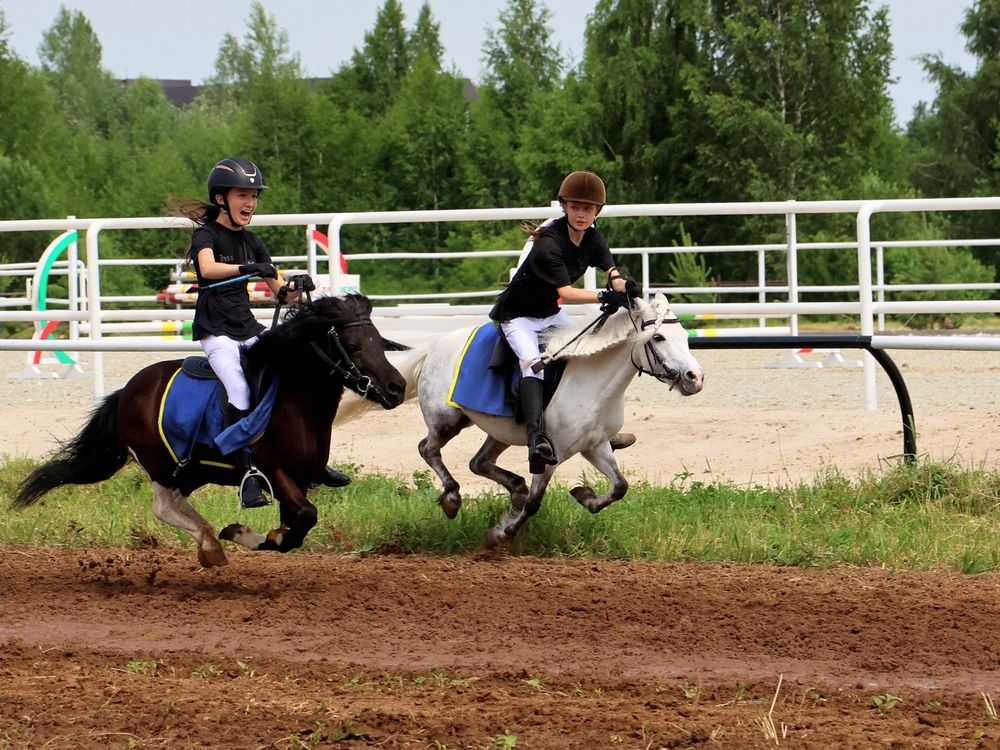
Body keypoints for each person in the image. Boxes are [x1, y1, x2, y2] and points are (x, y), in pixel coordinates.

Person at [183, 157, 351, 508]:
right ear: (220, 199)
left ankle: (314, 462)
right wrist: (250, 268)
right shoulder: (206, 235)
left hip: (247, 328)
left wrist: (298, 285)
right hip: (217, 333)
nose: (250, 203)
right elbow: (208, 268)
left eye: (254, 196)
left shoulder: (253, 240)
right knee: (240, 389)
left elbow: (281, 293)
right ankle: (247, 473)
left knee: (296, 373)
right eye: (243, 195)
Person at [489, 170, 640, 474]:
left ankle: (600, 430)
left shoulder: (594, 238)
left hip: (549, 313)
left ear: (597, 211)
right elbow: (567, 293)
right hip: (518, 316)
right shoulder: (549, 244)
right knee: (533, 363)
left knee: (590, 350)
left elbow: (612, 273)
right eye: (575, 207)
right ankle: (536, 441)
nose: (581, 214)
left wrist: (627, 288)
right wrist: (603, 296)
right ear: (564, 207)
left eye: (587, 209)